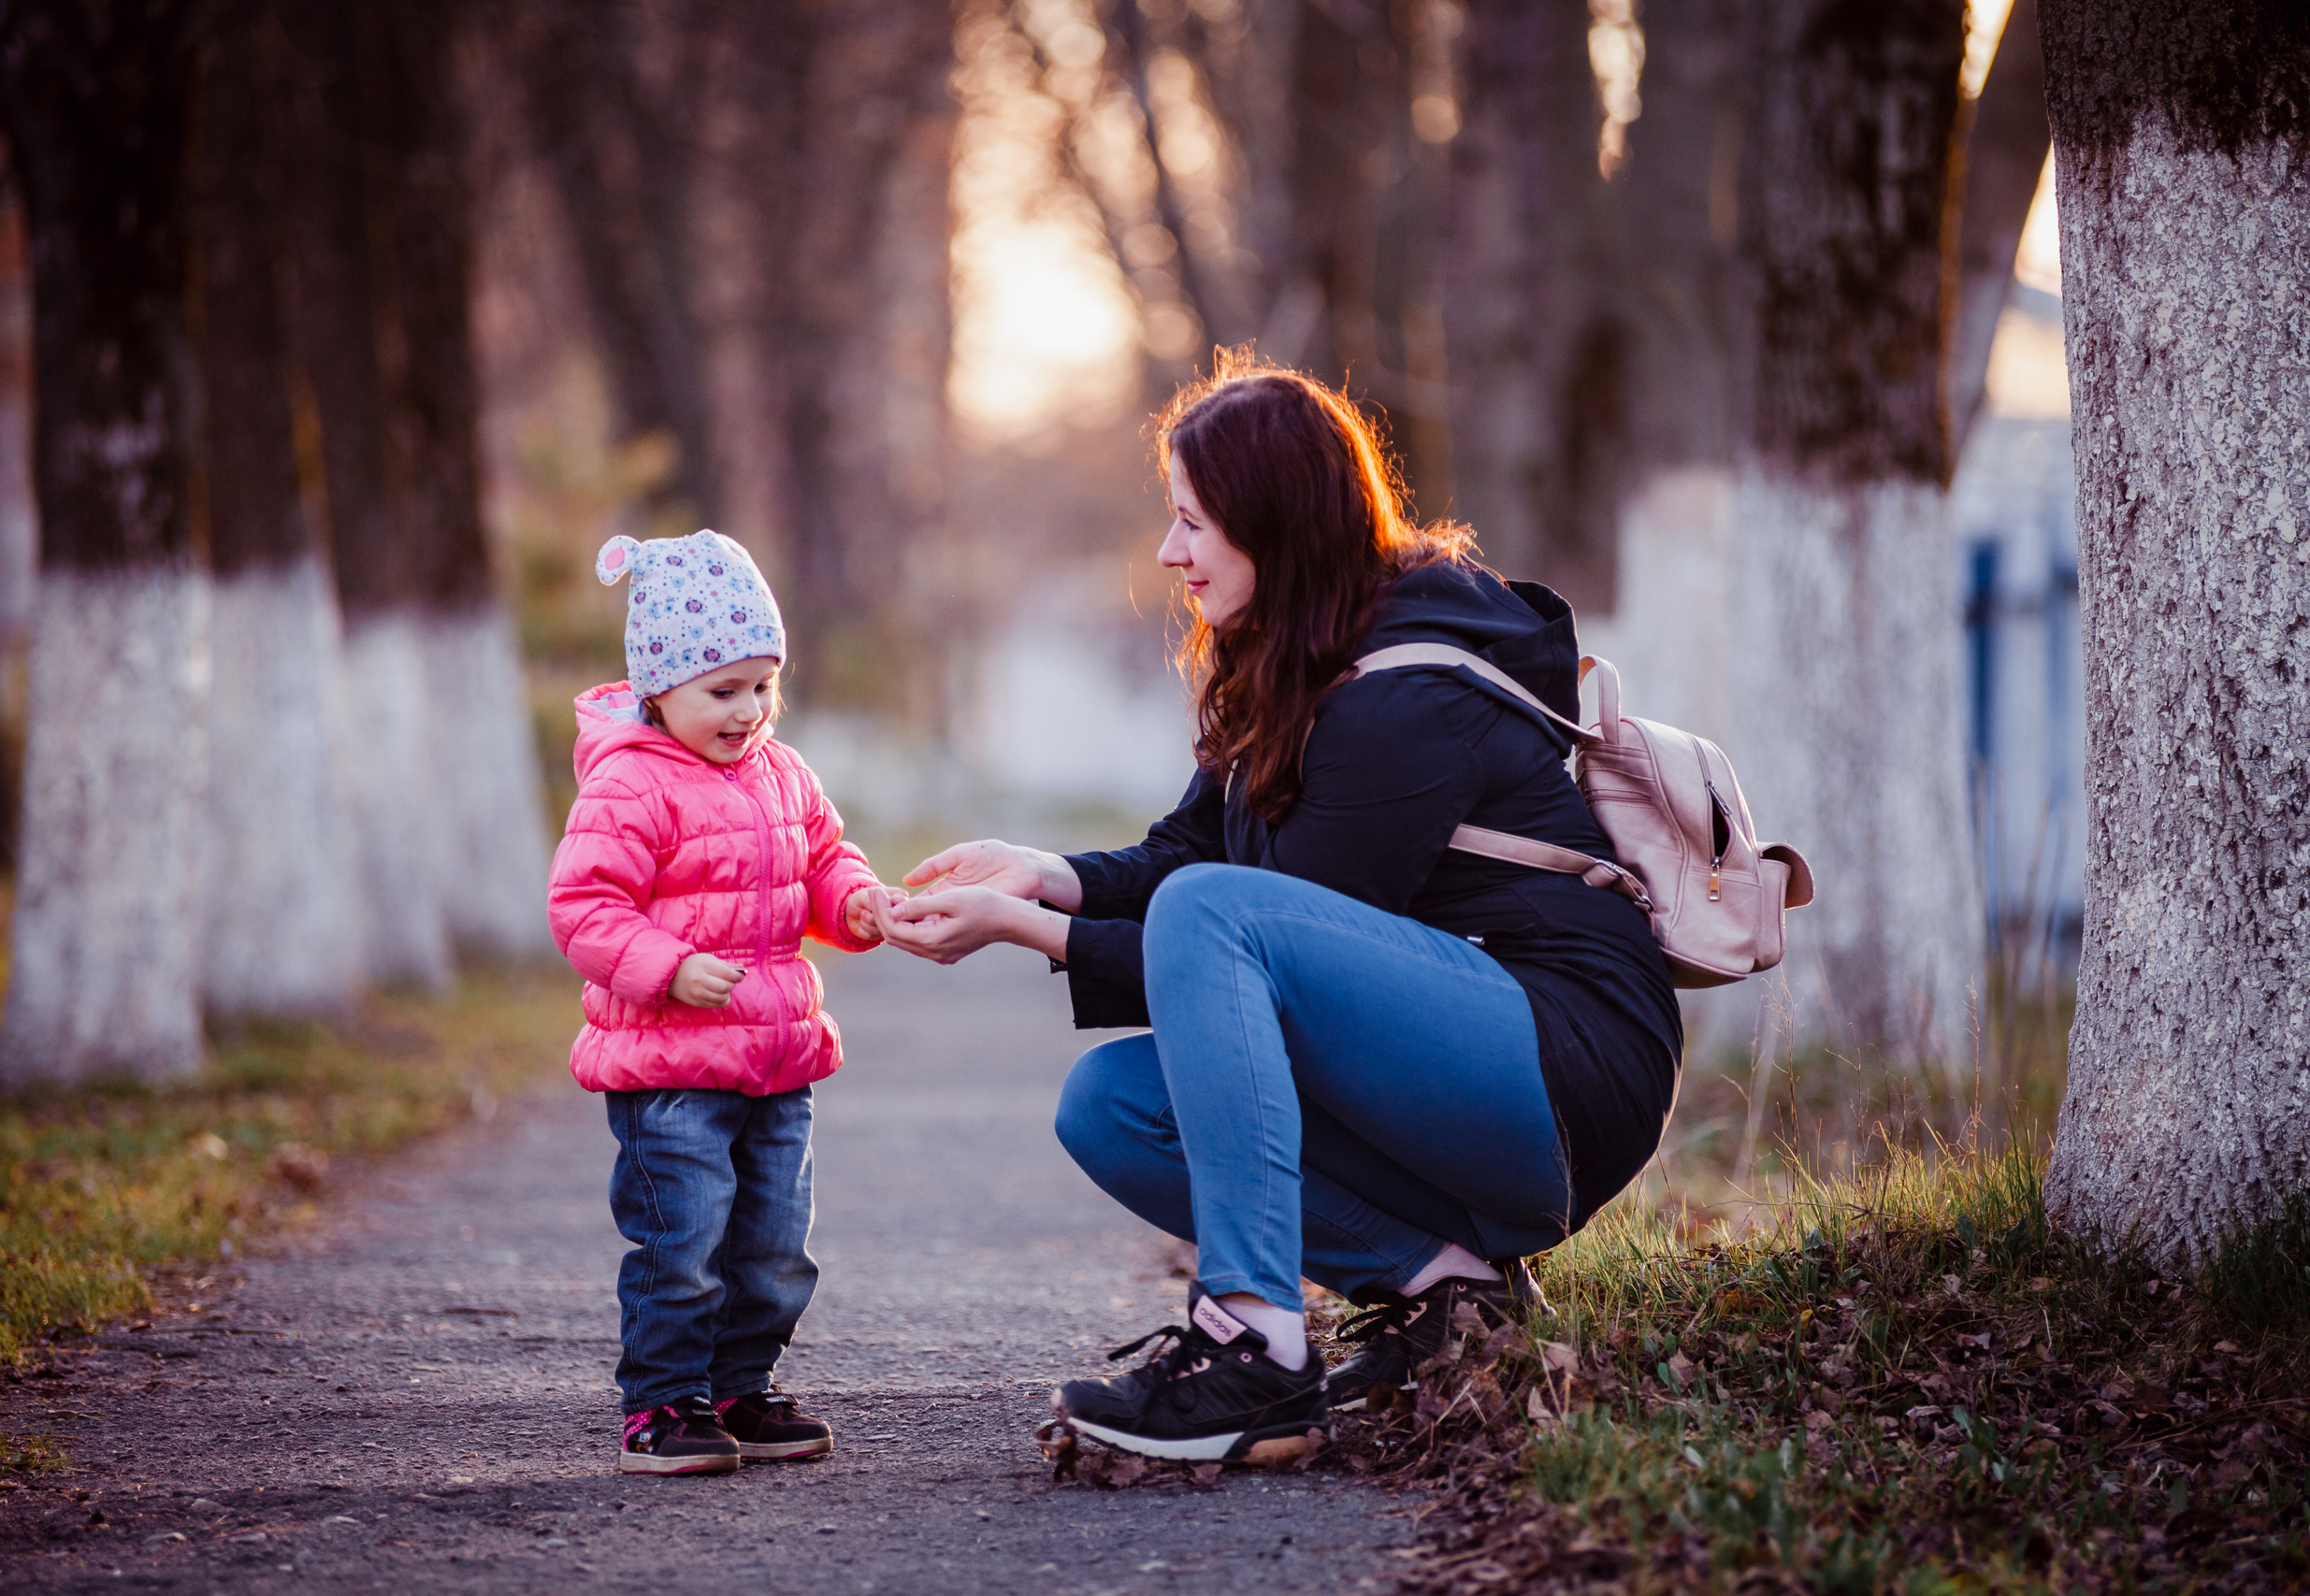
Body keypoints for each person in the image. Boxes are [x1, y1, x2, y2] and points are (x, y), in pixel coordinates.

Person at [880, 356, 1682, 1462]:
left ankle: (1256, 1350)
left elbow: (1242, 932)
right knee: (1110, 1105)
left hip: (1565, 1070)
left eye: (1192, 523)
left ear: (1277, 524)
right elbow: (1190, 856)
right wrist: (1042, 874)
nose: (1169, 554)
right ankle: (1443, 1290)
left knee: (1215, 918)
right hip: (1454, 1072)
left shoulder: (1405, 697)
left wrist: (1038, 937)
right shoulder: (1300, 657)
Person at [549, 529, 903, 1476]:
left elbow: (821, 859)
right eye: (724, 690)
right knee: (685, 1241)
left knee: (775, 1248)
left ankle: (741, 1387)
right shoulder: (628, 783)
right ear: (658, 689)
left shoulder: (783, 773)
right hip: (671, 1073)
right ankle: (663, 1404)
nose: (749, 711)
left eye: (763, 685)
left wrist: (854, 903)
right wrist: (665, 967)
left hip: (777, 1062)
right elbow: (584, 907)